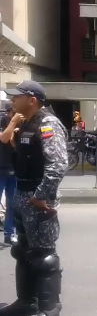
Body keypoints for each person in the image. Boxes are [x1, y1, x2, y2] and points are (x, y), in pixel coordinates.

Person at [0, 81, 68, 316]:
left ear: (32, 99)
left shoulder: (48, 124)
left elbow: (58, 164)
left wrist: (42, 196)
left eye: (16, 97)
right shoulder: (27, 122)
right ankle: (26, 302)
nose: (12, 101)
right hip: (22, 191)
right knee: (22, 249)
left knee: (44, 256)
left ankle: (48, 308)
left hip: (38, 196)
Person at [0, 103, 17, 245]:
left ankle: (9, 234)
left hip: (14, 167)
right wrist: (13, 122)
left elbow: (14, 143)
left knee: (13, 203)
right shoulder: (3, 121)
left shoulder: (23, 124)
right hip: (1, 167)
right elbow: (5, 138)